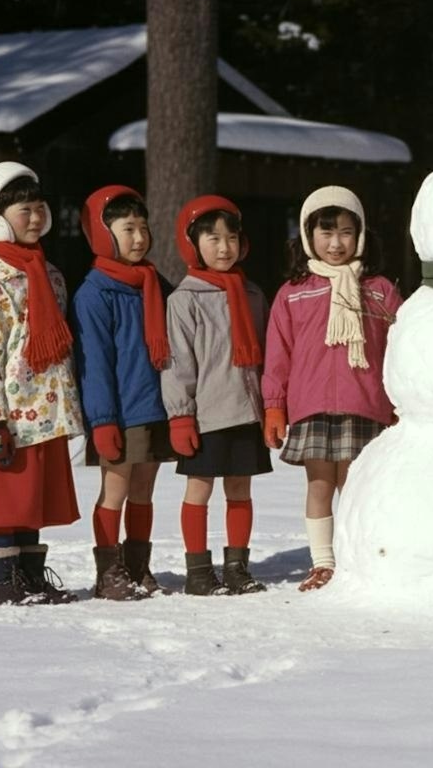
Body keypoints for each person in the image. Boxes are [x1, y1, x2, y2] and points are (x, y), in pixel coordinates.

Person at [0, 161, 82, 605]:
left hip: (46, 407)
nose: (35, 217)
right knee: (4, 500)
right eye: (24, 210)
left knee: (33, 500)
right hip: (9, 412)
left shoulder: (49, 275)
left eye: (39, 207)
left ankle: (30, 576)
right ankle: (4, 581)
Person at [262, 186, 403, 592]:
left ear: (360, 235)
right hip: (312, 405)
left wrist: (399, 400)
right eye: (326, 233)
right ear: (309, 236)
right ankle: (323, 563)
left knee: (357, 487)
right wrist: (274, 406)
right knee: (320, 485)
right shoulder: (293, 293)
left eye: (345, 232)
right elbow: (278, 356)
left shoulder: (379, 289)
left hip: (366, 403)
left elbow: (401, 347)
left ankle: (358, 559)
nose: (336, 243)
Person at [161, 195, 272, 596]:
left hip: (246, 411)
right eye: (212, 239)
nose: (224, 248)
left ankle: (237, 567)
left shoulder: (254, 295)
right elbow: (176, 363)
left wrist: (272, 405)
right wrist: (180, 415)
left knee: (241, 490)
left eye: (231, 238)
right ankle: (198, 570)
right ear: (193, 244)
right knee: (200, 489)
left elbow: (267, 356)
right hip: (207, 415)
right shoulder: (184, 299)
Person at [70, 185, 175, 600]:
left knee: (145, 491)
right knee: (115, 490)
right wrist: (102, 420)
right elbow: (93, 364)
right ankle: (107, 571)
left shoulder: (154, 284)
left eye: (143, 228)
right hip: (118, 412)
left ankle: (137, 565)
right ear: (103, 233)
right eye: (127, 229)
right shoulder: (94, 294)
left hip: (154, 407)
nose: (138, 238)